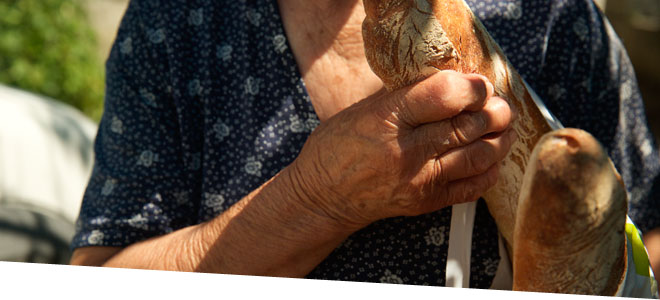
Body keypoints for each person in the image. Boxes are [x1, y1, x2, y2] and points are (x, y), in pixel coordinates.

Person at [70, 0, 660, 289]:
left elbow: (644, 243)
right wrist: (316, 199)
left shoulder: (550, 17)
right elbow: (100, 281)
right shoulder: (178, 25)